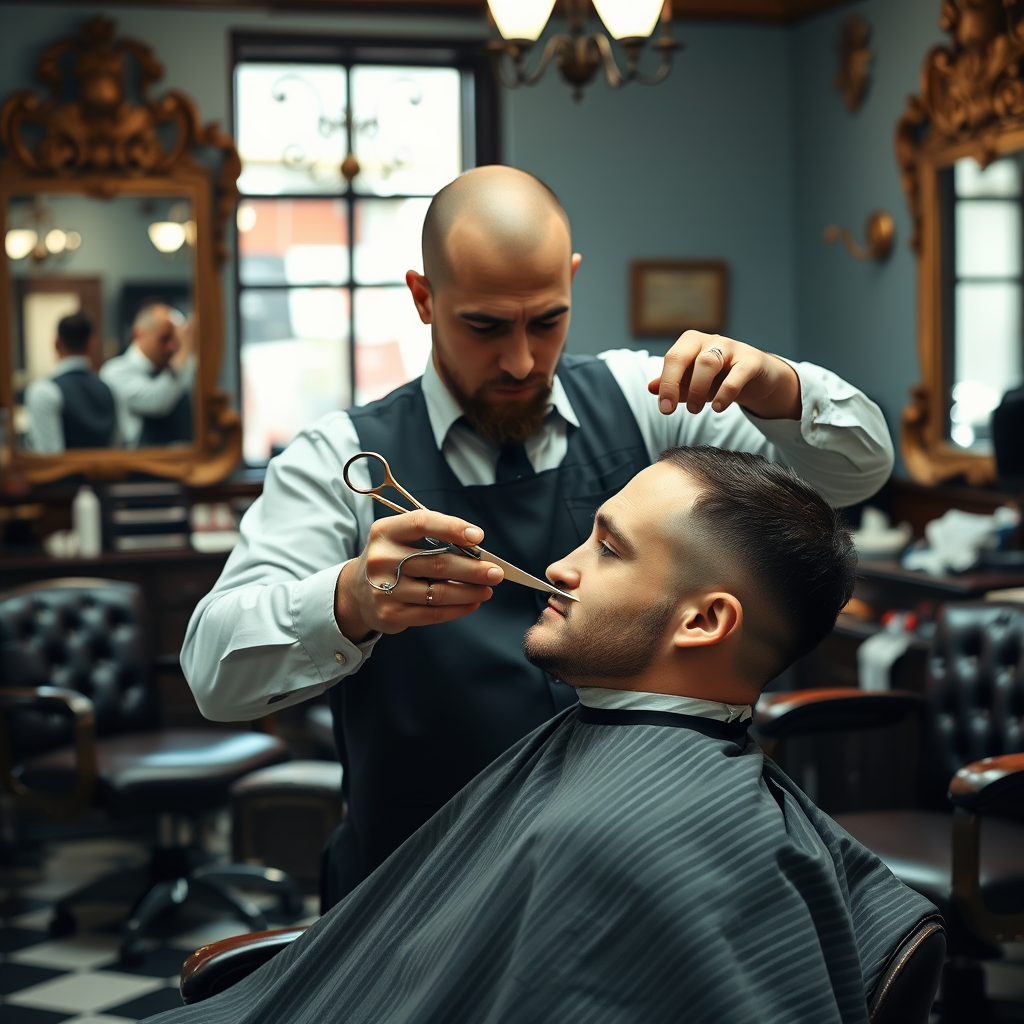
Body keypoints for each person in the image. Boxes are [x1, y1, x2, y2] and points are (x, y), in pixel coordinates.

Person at [182, 165, 895, 906]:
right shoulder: (336, 460)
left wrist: (779, 386)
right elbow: (214, 676)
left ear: (572, 281)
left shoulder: (645, 405)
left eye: (547, 321)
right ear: (424, 298)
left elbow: (856, 475)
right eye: (485, 326)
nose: (521, 360)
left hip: (627, 885)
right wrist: (351, 598)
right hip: (412, 898)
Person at [156, 450, 936, 1024]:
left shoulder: (624, 844)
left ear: (703, 621)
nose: (559, 568)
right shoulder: (640, 777)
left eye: (607, 547)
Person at [100, 303, 194, 448]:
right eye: (164, 339)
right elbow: (156, 401)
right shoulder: (116, 371)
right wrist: (182, 357)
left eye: (176, 340)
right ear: (139, 334)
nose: (172, 347)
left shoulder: (180, 369)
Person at [24, 311, 116, 452]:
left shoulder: (44, 391)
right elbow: (118, 448)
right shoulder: (110, 388)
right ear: (91, 344)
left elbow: (49, 458)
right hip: (109, 473)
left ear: (56, 344)